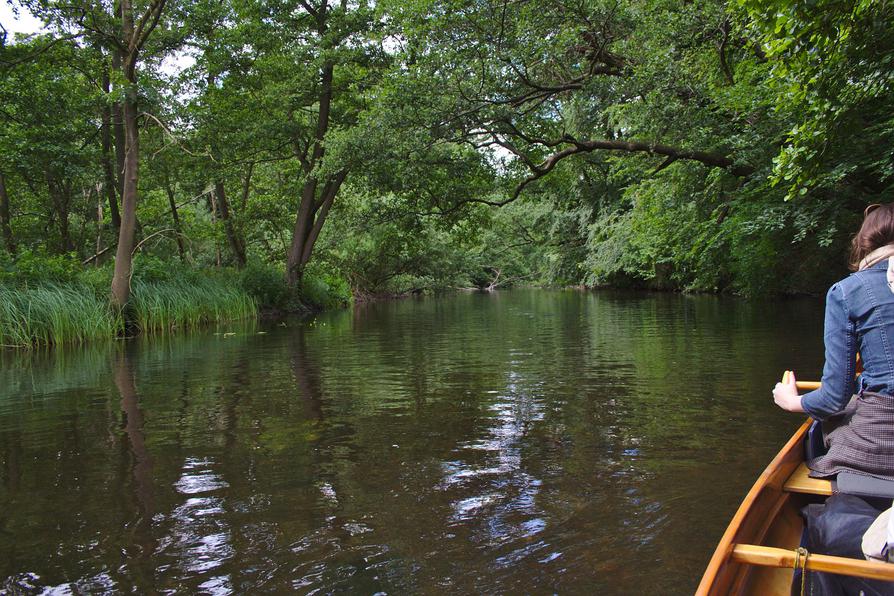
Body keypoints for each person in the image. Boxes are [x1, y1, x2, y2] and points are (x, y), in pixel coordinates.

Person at [773, 202, 894, 481]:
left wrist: (792, 401)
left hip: (883, 442)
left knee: (826, 433)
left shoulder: (848, 292)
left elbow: (833, 400)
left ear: (865, 243)